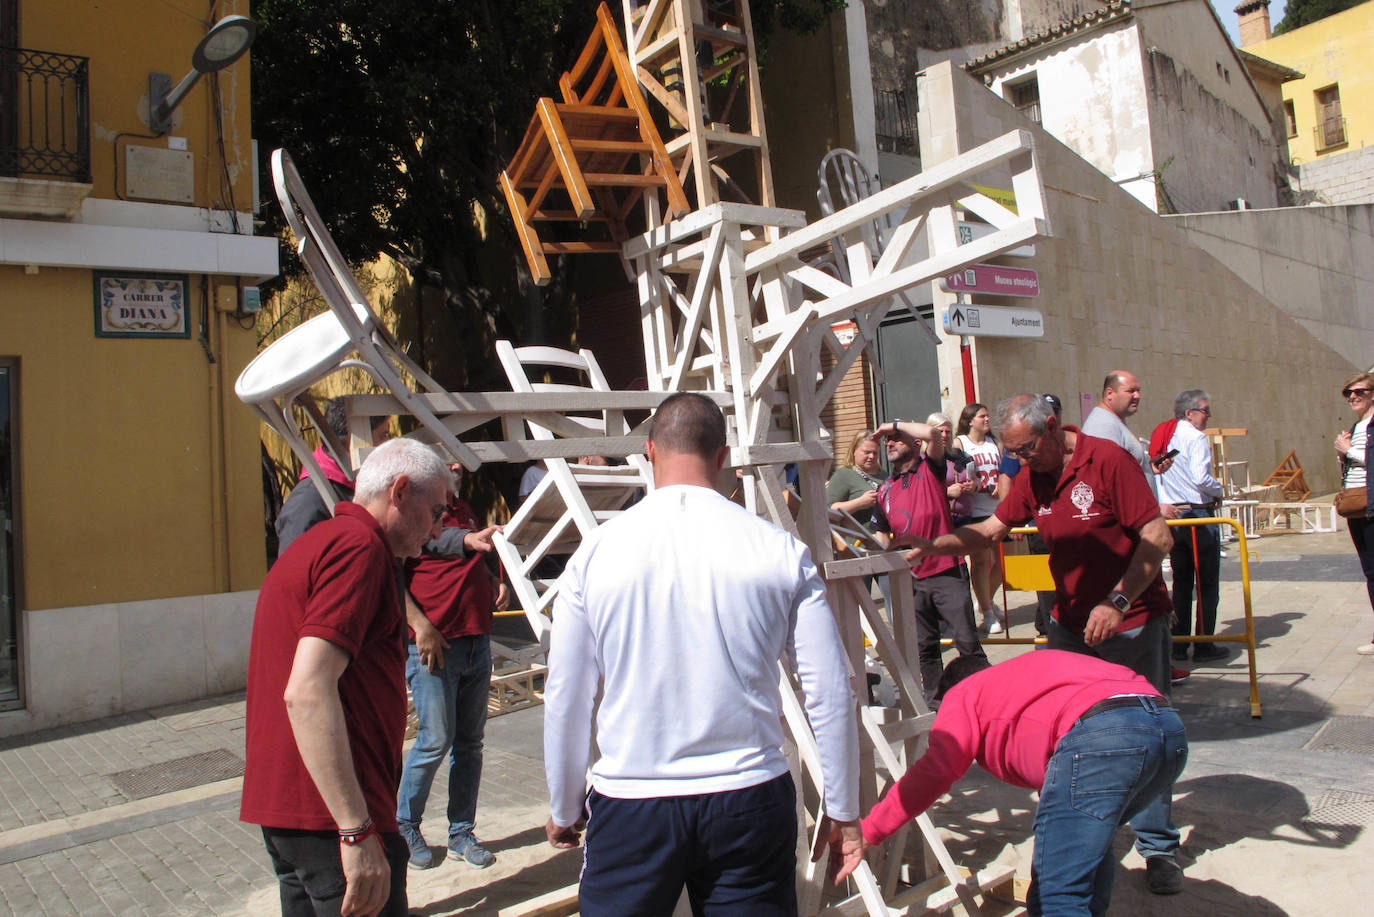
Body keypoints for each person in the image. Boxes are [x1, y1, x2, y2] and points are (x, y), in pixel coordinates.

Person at [542, 393, 863, 914]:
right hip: (750, 795)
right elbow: (829, 689)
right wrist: (844, 808)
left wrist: (563, 802)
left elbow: (568, 695)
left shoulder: (597, 553)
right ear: (723, 457)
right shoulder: (778, 549)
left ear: (650, 451)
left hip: (632, 798)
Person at [900, 394, 1185, 896]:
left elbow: (1158, 537)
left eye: (1027, 450)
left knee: (1137, 735)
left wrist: (1117, 602)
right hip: (1071, 627)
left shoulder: (1107, 461)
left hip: (1131, 623)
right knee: (1067, 736)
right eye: (1016, 454)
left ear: (1052, 427)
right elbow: (990, 529)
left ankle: (1157, 846)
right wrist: (930, 545)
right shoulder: (1032, 475)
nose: (1022, 461)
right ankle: (1080, 830)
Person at [240, 438, 452, 917]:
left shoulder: (320, 542)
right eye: (437, 510)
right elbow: (308, 690)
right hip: (333, 820)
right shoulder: (358, 548)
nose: (439, 530)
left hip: (297, 814)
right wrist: (356, 829)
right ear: (399, 491)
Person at [862, 652, 1188, 916]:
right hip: (1168, 731)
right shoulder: (1025, 679)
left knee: (1055, 893)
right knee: (1086, 850)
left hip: (1100, 735)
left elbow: (937, 769)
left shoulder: (964, 692)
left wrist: (870, 830)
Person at [396, 464, 508, 870]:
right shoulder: (418, 510)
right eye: (448, 457)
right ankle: (405, 826)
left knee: (470, 744)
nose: (458, 465)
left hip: (476, 639)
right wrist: (419, 624)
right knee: (434, 739)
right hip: (435, 646)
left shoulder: (461, 506)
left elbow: (471, 546)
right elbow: (435, 546)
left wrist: (495, 576)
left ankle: (461, 832)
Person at [870, 419, 988, 708]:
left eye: (898, 439)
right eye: (888, 440)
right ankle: (936, 705)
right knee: (925, 648)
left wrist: (892, 424)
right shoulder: (884, 488)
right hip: (911, 578)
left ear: (915, 443)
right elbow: (881, 531)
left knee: (967, 642)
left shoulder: (931, 469)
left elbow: (934, 434)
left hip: (947, 569)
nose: (890, 443)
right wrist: (887, 554)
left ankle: (986, 699)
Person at [1157, 390, 1228, 664]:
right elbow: (1201, 478)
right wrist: (1218, 488)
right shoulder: (1196, 438)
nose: (1208, 416)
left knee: (1182, 581)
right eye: (1205, 410)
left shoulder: (1167, 435)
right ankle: (1203, 643)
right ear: (1190, 413)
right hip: (1197, 513)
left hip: (1175, 515)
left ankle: (1179, 641)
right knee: (1207, 583)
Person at [276, 400, 393, 555]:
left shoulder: (358, 482)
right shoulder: (308, 502)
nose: (390, 443)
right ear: (354, 442)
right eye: (383, 436)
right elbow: (294, 570)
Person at [995, 394, 1062, 636]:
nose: (1022, 459)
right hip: (1037, 529)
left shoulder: (1095, 455)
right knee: (1045, 586)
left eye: (1054, 410)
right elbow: (1005, 478)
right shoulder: (1023, 452)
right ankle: (1046, 630)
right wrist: (1012, 521)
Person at [1082, 370, 1180, 520]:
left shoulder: (1114, 421)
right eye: (1131, 391)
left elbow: (1122, 471)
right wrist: (1152, 509)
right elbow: (1108, 481)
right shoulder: (1103, 426)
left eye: (1138, 391)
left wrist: (1147, 469)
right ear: (1110, 394)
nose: (1137, 396)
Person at [955, 403, 1006, 633]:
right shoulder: (960, 443)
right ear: (970, 420)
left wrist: (1003, 487)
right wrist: (976, 485)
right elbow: (958, 474)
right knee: (981, 561)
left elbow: (1005, 471)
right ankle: (987, 612)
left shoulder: (995, 443)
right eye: (982, 416)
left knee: (1005, 565)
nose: (987, 419)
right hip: (975, 510)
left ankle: (986, 598)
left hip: (998, 508)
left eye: (987, 415)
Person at [1335, 371, 1374, 655]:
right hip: (1357, 507)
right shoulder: (1357, 426)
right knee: (1370, 572)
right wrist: (1343, 455)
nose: (1352, 397)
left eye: (1358, 392)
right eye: (1349, 393)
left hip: (1371, 505)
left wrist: (1348, 451)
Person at [827, 429, 884, 529]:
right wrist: (861, 502)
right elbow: (829, 510)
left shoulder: (884, 475)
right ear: (854, 451)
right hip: (858, 542)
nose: (871, 456)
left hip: (886, 540)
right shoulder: (844, 474)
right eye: (867, 452)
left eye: (875, 453)